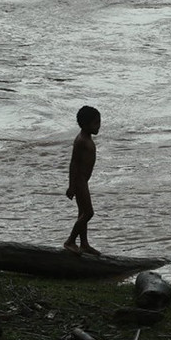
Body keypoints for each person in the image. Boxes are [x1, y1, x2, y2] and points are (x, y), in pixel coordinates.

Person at [64, 105, 102, 256]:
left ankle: (84, 243)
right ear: (85, 125)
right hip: (80, 181)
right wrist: (71, 186)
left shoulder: (87, 138)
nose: (99, 126)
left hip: (84, 180)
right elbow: (74, 163)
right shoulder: (81, 140)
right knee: (88, 213)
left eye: (99, 122)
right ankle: (70, 241)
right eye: (95, 123)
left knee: (82, 212)